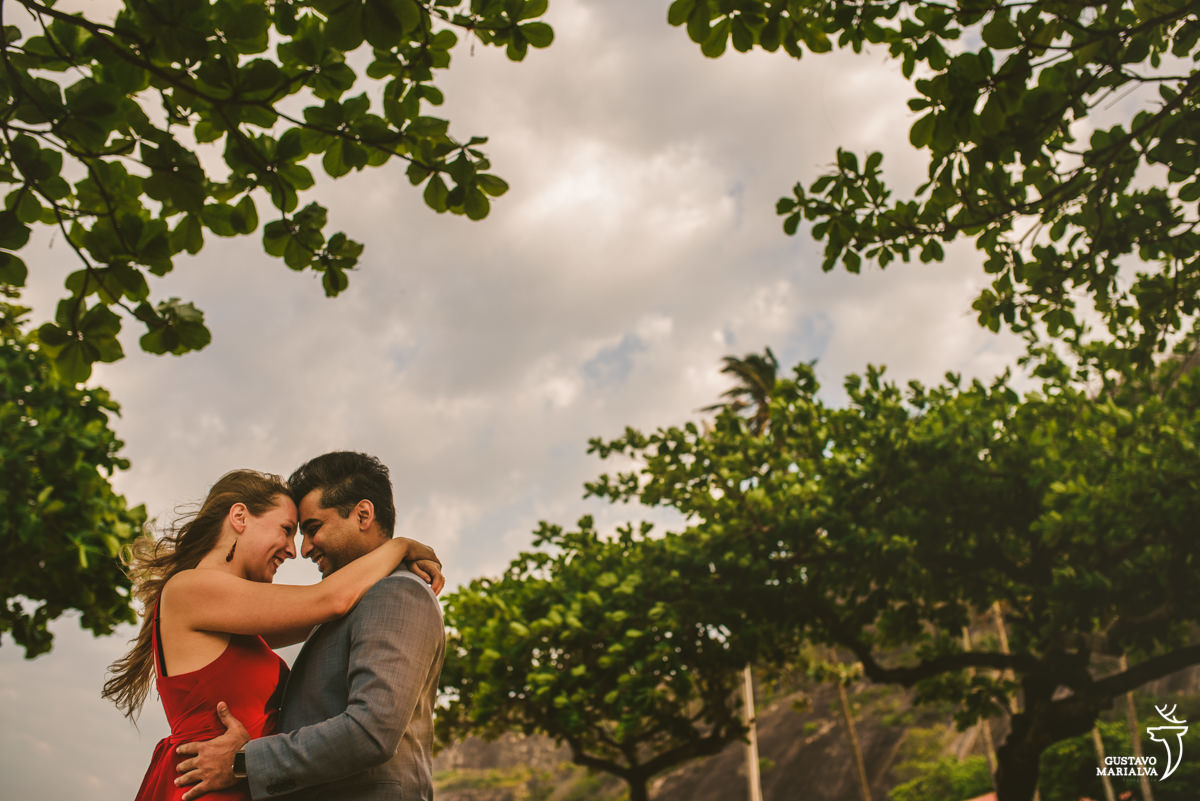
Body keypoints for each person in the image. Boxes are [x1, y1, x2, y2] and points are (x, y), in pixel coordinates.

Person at [102, 469, 442, 801]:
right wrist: (400, 547)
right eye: (287, 530)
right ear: (240, 517)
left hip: (236, 782)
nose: (294, 550)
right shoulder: (190, 588)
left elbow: (333, 612)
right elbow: (330, 601)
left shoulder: (233, 616)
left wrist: (391, 566)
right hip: (207, 787)